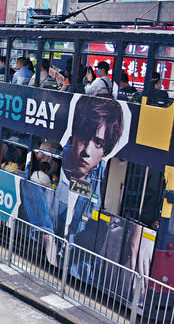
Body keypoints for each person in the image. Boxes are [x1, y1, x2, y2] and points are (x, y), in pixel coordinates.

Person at [19, 96, 125, 263]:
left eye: (98, 143)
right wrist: (47, 237)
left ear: (106, 150)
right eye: (84, 136)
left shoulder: (103, 172)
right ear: (73, 135)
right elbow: (29, 179)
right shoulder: (49, 154)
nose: (87, 151)